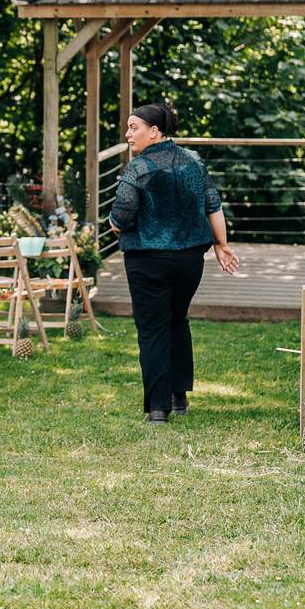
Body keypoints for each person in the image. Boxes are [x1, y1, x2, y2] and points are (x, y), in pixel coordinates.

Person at [108, 102, 239, 422]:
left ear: (154, 132)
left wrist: (114, 222)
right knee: (177, 321)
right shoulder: (193, 161)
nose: (128, 134)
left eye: (133, 127)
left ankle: (157, 408)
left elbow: (120, 220)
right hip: (189, 261)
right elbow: (213, 205)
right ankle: (178, 396)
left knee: (153, 328)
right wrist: (221, 244)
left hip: (148, 260)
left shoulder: (139, 167)